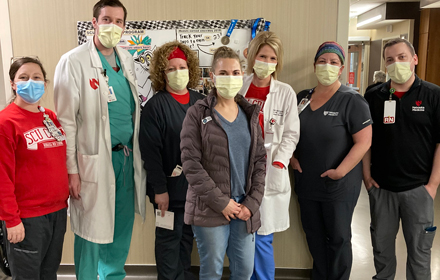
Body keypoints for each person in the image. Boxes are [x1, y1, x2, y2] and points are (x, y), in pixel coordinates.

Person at [53, 0, 146, 279]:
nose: (113, 26)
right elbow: (66, 122)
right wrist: (72, 170)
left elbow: (130, 112)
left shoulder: (126, 59)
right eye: (107, 19)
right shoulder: (73, 61)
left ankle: (113, 276)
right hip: (91, 162)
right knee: (91, 231)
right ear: (94, 22)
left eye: (119, 21)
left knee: (120, 228)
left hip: (125, 159)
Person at [180, 46, 266, 280]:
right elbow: (191, 163)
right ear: (213, 76)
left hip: (244, 206)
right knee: (212, 271)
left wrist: (251, 203)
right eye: (224, 73)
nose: (231, 78)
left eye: (236, 72)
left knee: (244, 270)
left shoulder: (250, 113)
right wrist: (221, 203)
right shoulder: (197, 114)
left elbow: (259, 161)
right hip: (211, 206)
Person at [290, 41, 372, 280]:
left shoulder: (352, 100)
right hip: (307, 182)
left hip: (338, 185)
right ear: (314, 65)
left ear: (342, 68)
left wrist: (340, 171)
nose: (327, 66)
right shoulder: (302, 98)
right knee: (313, 235)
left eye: (333, 62)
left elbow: (364, 142)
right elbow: (289, 133)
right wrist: (292, 157)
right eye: (322, 61)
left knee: (338, 238)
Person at [362, 38, 439, 280]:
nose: (396, 63)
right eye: (390, 60)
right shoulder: (375, 95)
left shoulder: (433, 95)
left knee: (420, 254)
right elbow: (366, 139)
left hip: (419, 189)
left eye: (402, 57)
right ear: (385, 65)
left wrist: (433, 185)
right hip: (382, 188)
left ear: (414, 59)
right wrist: (366, 176)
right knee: (381, 251)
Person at [237, 31, 300, 280]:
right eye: (262, 56)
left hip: (270, 166)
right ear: (253, 57)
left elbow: (291, 134)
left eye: (272, 57)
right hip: (240, 166)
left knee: (263, 236)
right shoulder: (239, 85)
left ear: (278, 62)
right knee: (242, 235)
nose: (266, 62)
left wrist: (279, 160)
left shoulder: (285, 92)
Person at [139, 41, 204, 280]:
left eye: (182, 67)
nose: (178, 72)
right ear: (162, 73)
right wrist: (159, 190)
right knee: (168, 243)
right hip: (168, 193)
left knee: (187, 242)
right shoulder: (155, 107)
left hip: (195, 191)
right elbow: (151, 153)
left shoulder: (201, 102)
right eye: (171, 68)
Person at [0, 57, 69, 279]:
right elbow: (2, 177)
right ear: (13, 83)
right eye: (24, 77)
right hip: (27, 218)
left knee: (49, 274)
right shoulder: (5, 123)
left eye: (37, 77)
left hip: (57, 212)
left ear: (45, 83)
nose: (31, 82)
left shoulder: (51, 118)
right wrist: (11, 220)